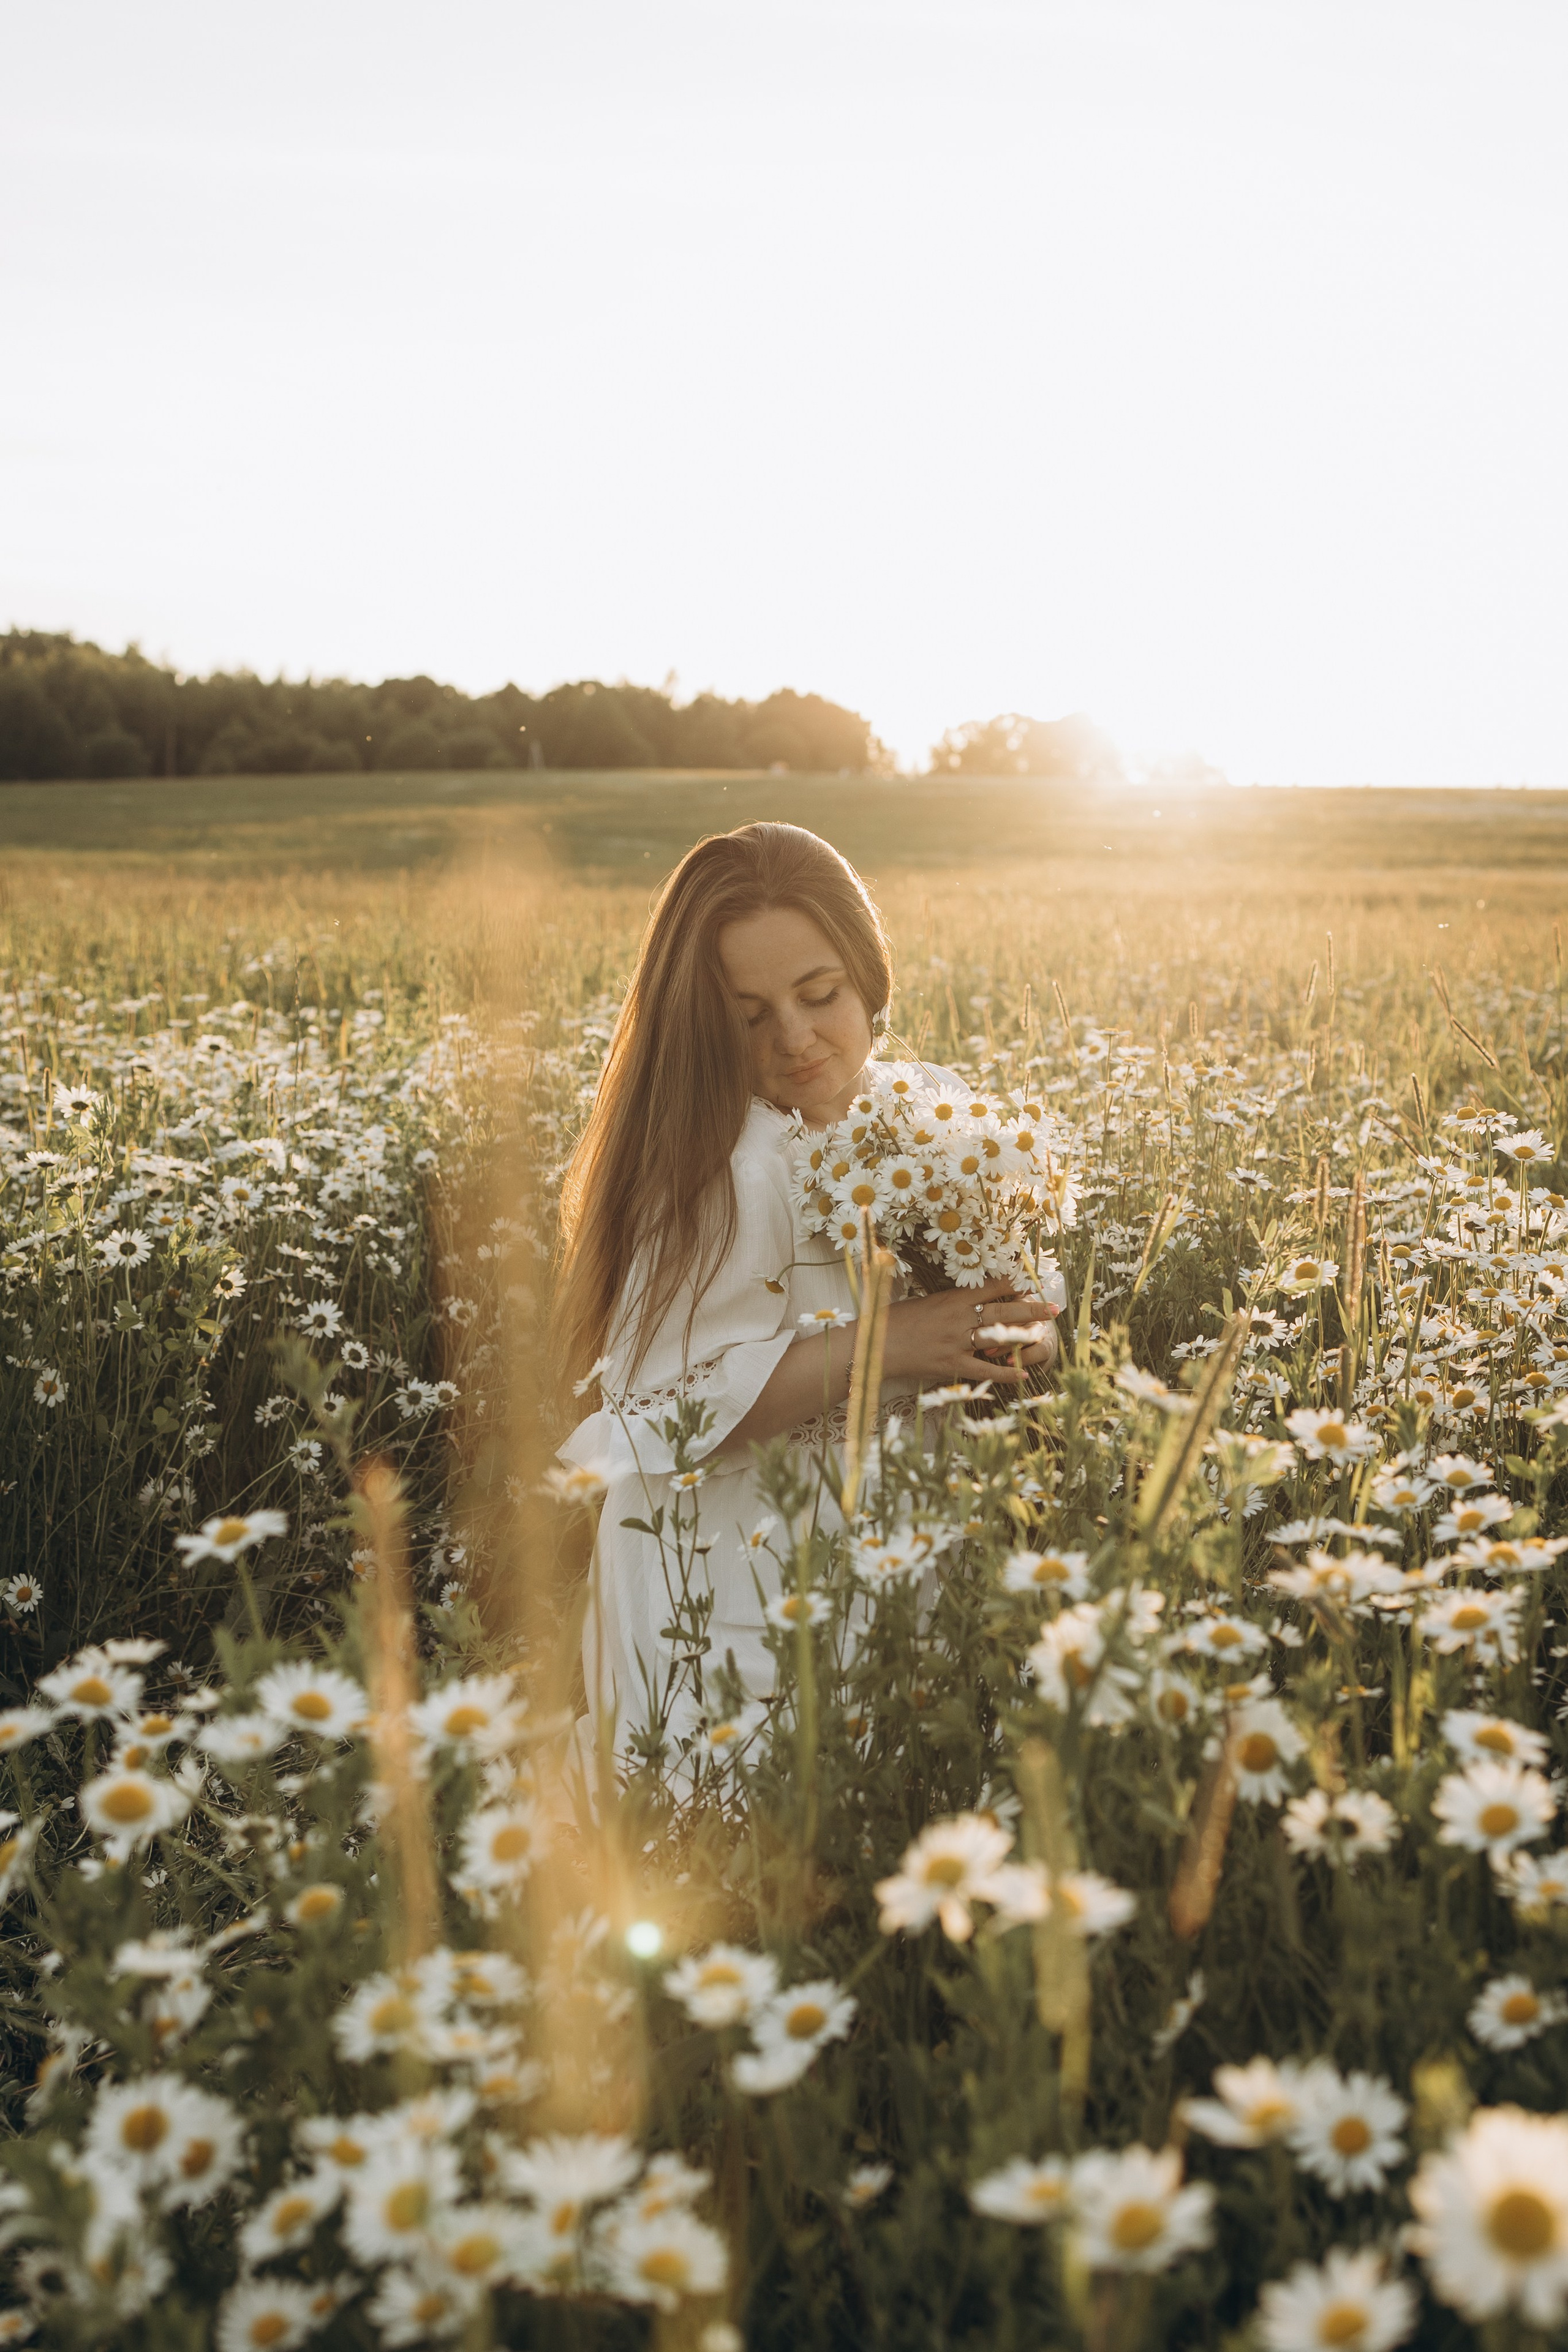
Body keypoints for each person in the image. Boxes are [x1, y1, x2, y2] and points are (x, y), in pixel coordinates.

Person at [553, 821, 1060, 1754]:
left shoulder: (929, 1109)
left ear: (869, 975)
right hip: (738, 1565)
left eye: (820, 995)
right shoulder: (719, 1163)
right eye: (747, 1016)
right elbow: (666, 1415)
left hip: (912, 1528)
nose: (795, 1038)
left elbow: (1030, 1305)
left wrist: (1016, 1332)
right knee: (766, 1794)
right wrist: (893, 1343)